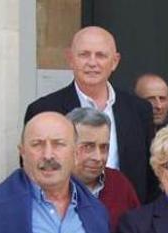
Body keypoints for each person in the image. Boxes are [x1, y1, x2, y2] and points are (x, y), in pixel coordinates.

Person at [24, 26, 154, 202]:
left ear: (115, 61)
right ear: (70, 59)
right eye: (84, 54)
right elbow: (32, 172)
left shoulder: (139, 110)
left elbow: (151, 174)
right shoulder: (44, 110)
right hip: (65, 216)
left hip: (127, 219)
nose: (92, 62)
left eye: (101, 55)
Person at [68, 107, 140, 232]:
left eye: (104, 147)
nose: (98, 157)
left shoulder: (119, 183)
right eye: (88, 147)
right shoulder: (52, 186)